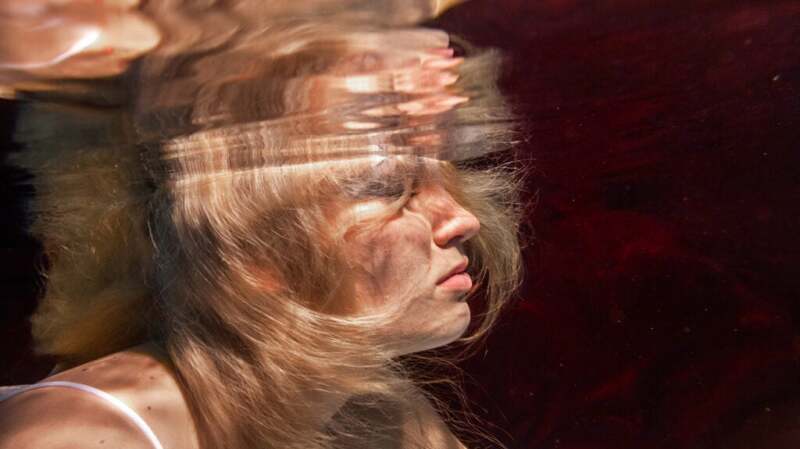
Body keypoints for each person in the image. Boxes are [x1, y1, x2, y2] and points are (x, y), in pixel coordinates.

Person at [0, 1, 522, 448]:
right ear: (252, 253)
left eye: (443, 182)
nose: (462, 218)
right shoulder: (85, 433)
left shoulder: (378, 412)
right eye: (387, 188)